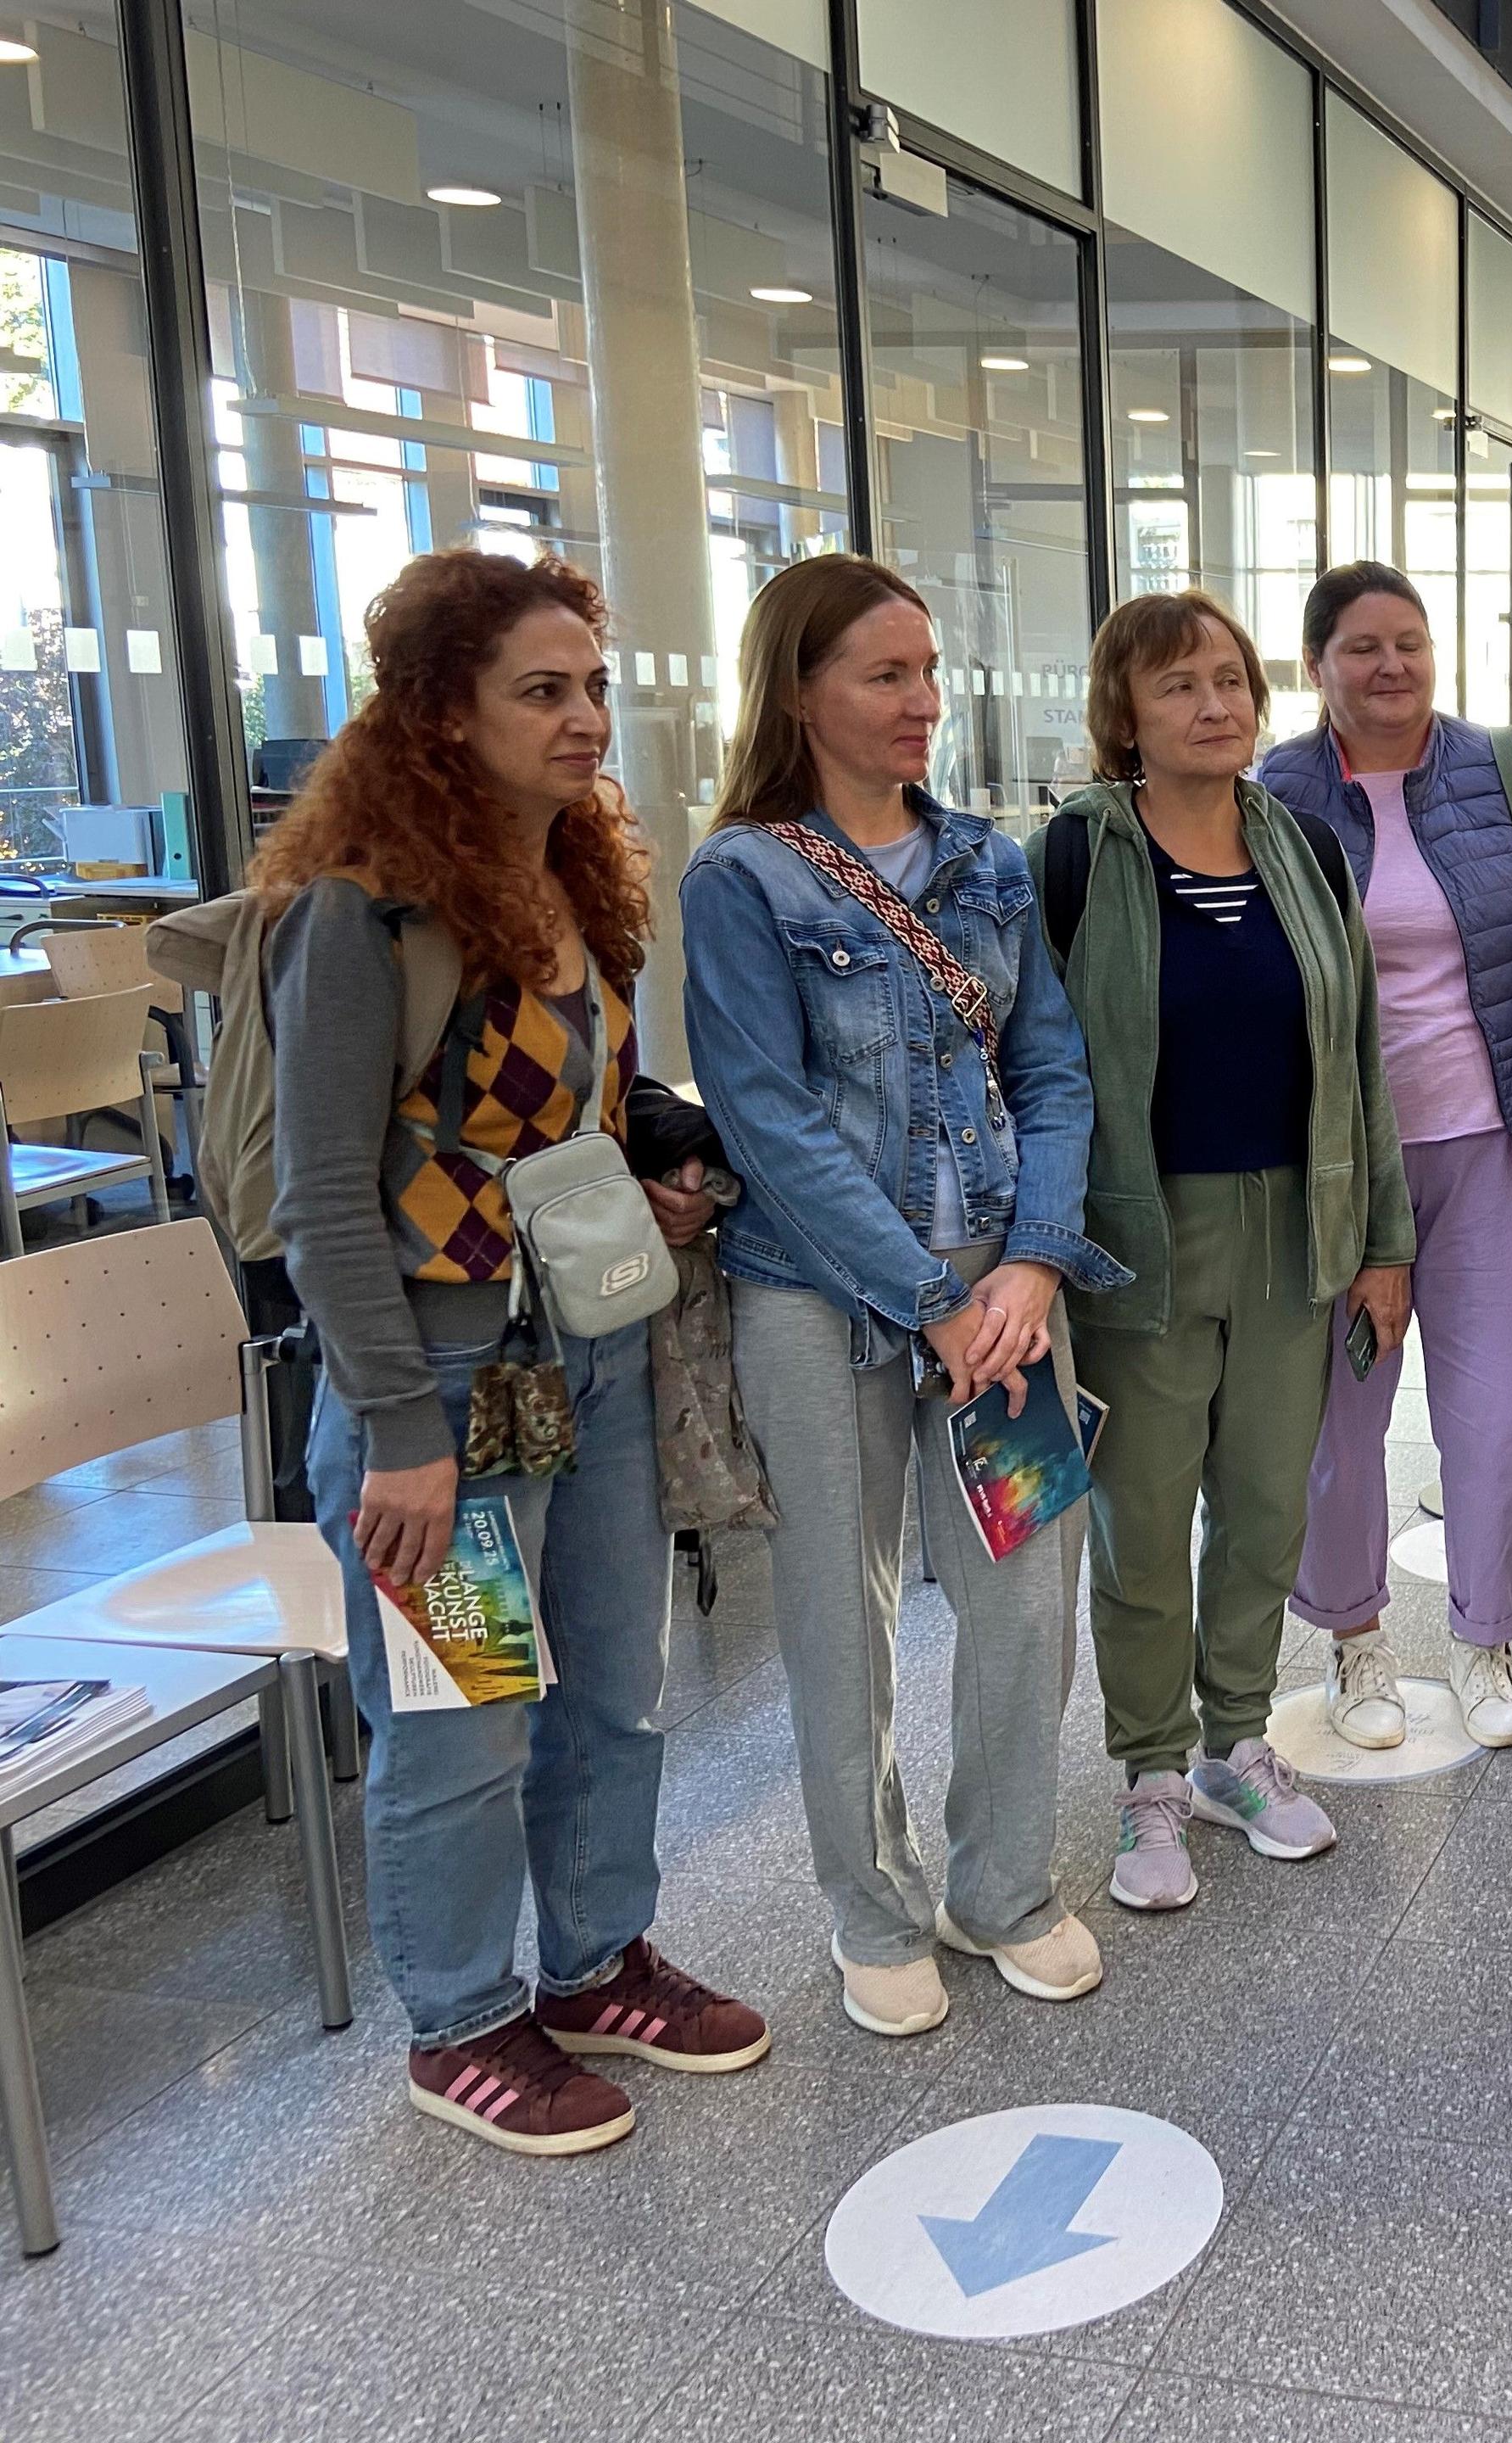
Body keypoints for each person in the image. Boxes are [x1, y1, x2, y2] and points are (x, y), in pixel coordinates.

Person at [265, 549, 766, 2157]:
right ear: (440, 716)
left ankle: (597, 1960)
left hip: (593, 1361)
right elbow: (323, 1198)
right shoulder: (361, 916)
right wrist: (399, 1430)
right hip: (443, 1394)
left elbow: (573, 1115)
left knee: (616, 1687)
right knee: (465, 1720)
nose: (584, 718)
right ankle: (462, 2019)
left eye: (592, 686)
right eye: (540, 692)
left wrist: (659, 1178)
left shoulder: (573, 880)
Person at [683, 556, 1119, 2041]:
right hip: (822, 1304)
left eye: (928, 670)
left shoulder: (990, 864)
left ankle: (1003, 1887)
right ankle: (871, 1908)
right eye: (885, 674)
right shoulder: (741, 881)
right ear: (800, 692)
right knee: (838, 1614)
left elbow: (1051, 1070)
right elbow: (767, 1121)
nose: (923, 699)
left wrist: (1033, 1263)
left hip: (1004, 1297)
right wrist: (932, 1299)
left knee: (1024, 1594)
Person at [1047, 590, 1415, 1911]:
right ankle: (1151, 1772)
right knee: (1142, 1522)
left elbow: (1359, 1059)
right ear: (1124, 715)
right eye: (1178, 686)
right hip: (1135, 1235)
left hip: (1294, 1229)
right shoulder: (1079, 855)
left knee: (1265, 1508)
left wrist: (1385, 1239)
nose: (1216, 706)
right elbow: (1037, 1059)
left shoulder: (1303, 846)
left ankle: (1235, 1746)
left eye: (1230, 681)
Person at [1257, 565, 1512, 1753]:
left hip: (1495, 1141)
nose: (1391, 665)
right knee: (1336, 1416)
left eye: (1411, 641)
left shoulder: (1511, 767)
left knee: (1507, 1403)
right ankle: (1355, 1640)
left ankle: (1485, 1637)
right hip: (1338, 1169)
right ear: (1316, 666)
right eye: (1362, 647)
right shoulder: (1272, 792)